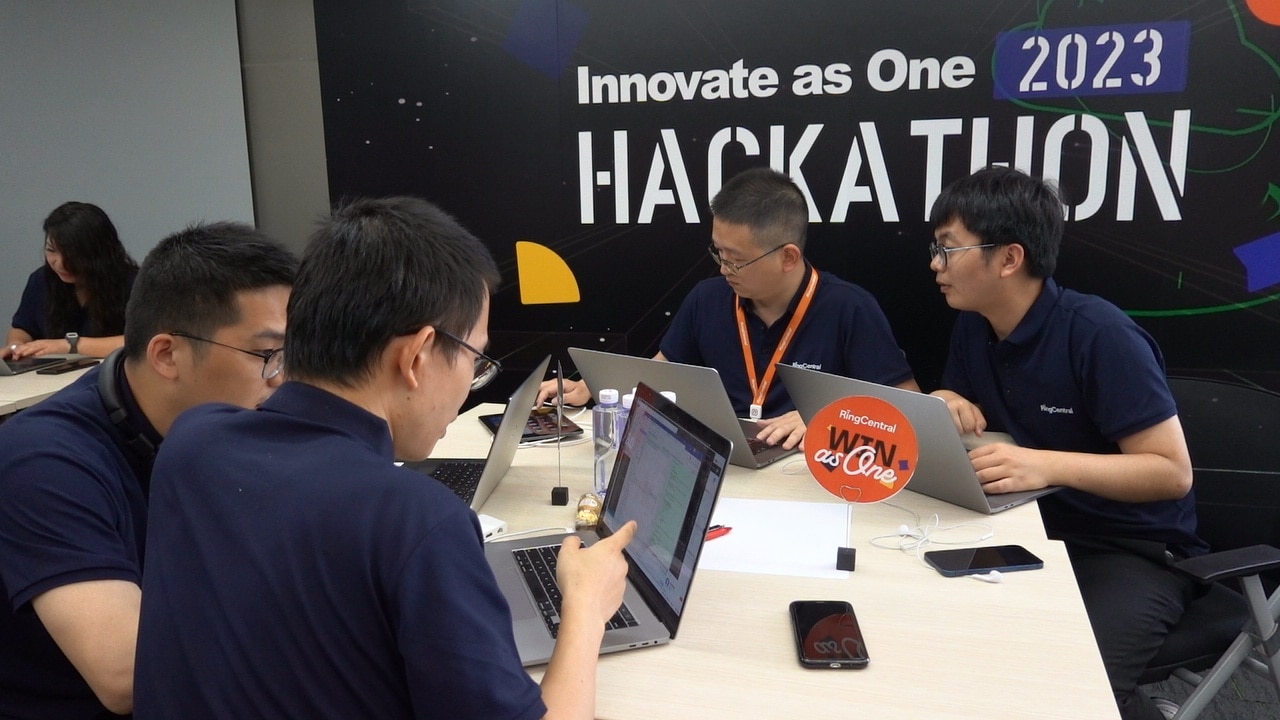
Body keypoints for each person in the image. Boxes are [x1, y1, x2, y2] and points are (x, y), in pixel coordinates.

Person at [133, 196, 635, 720]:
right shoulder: (419, 521)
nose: (469, 382)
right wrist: (585, 609)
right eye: (474, 360)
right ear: (417, 355)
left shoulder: (191, 444)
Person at [927, 166, 1204, 720]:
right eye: (936, 248)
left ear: (1009, 258)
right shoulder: (975, 323)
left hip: (1130, 549)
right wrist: (945, 398)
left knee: (1072, 694)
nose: (936, 264)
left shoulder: (1100, 335)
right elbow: (961, 399)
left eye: (949, 249)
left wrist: (1045, 466)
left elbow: (1171, 472)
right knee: (941, 643)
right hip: (1028, 529)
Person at [0, 223, 297, 719]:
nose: (284, 379)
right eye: (268, 355)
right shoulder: (44, 461)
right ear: (167, 354)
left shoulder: (225, 429)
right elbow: (127, 674)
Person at [540, 167, 918, 449]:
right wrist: (593, 387)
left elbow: (909, 410)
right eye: (718, 252)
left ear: (788, 257)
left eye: (736, 260)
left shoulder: (849, 308)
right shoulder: (707, 299)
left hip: (811, 471)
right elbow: (660, 373)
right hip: (723, 463)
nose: (723, 269)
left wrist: (827, 419)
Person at [4, 202, 139, 361]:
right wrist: (16, 346)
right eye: (51, 250)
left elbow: (142, 342)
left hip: (112, 372)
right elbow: (22, 328)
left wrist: (70, 345)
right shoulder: (41, 280)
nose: (59, 263)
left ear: (99, 253)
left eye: (72, 254)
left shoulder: (137, 284)